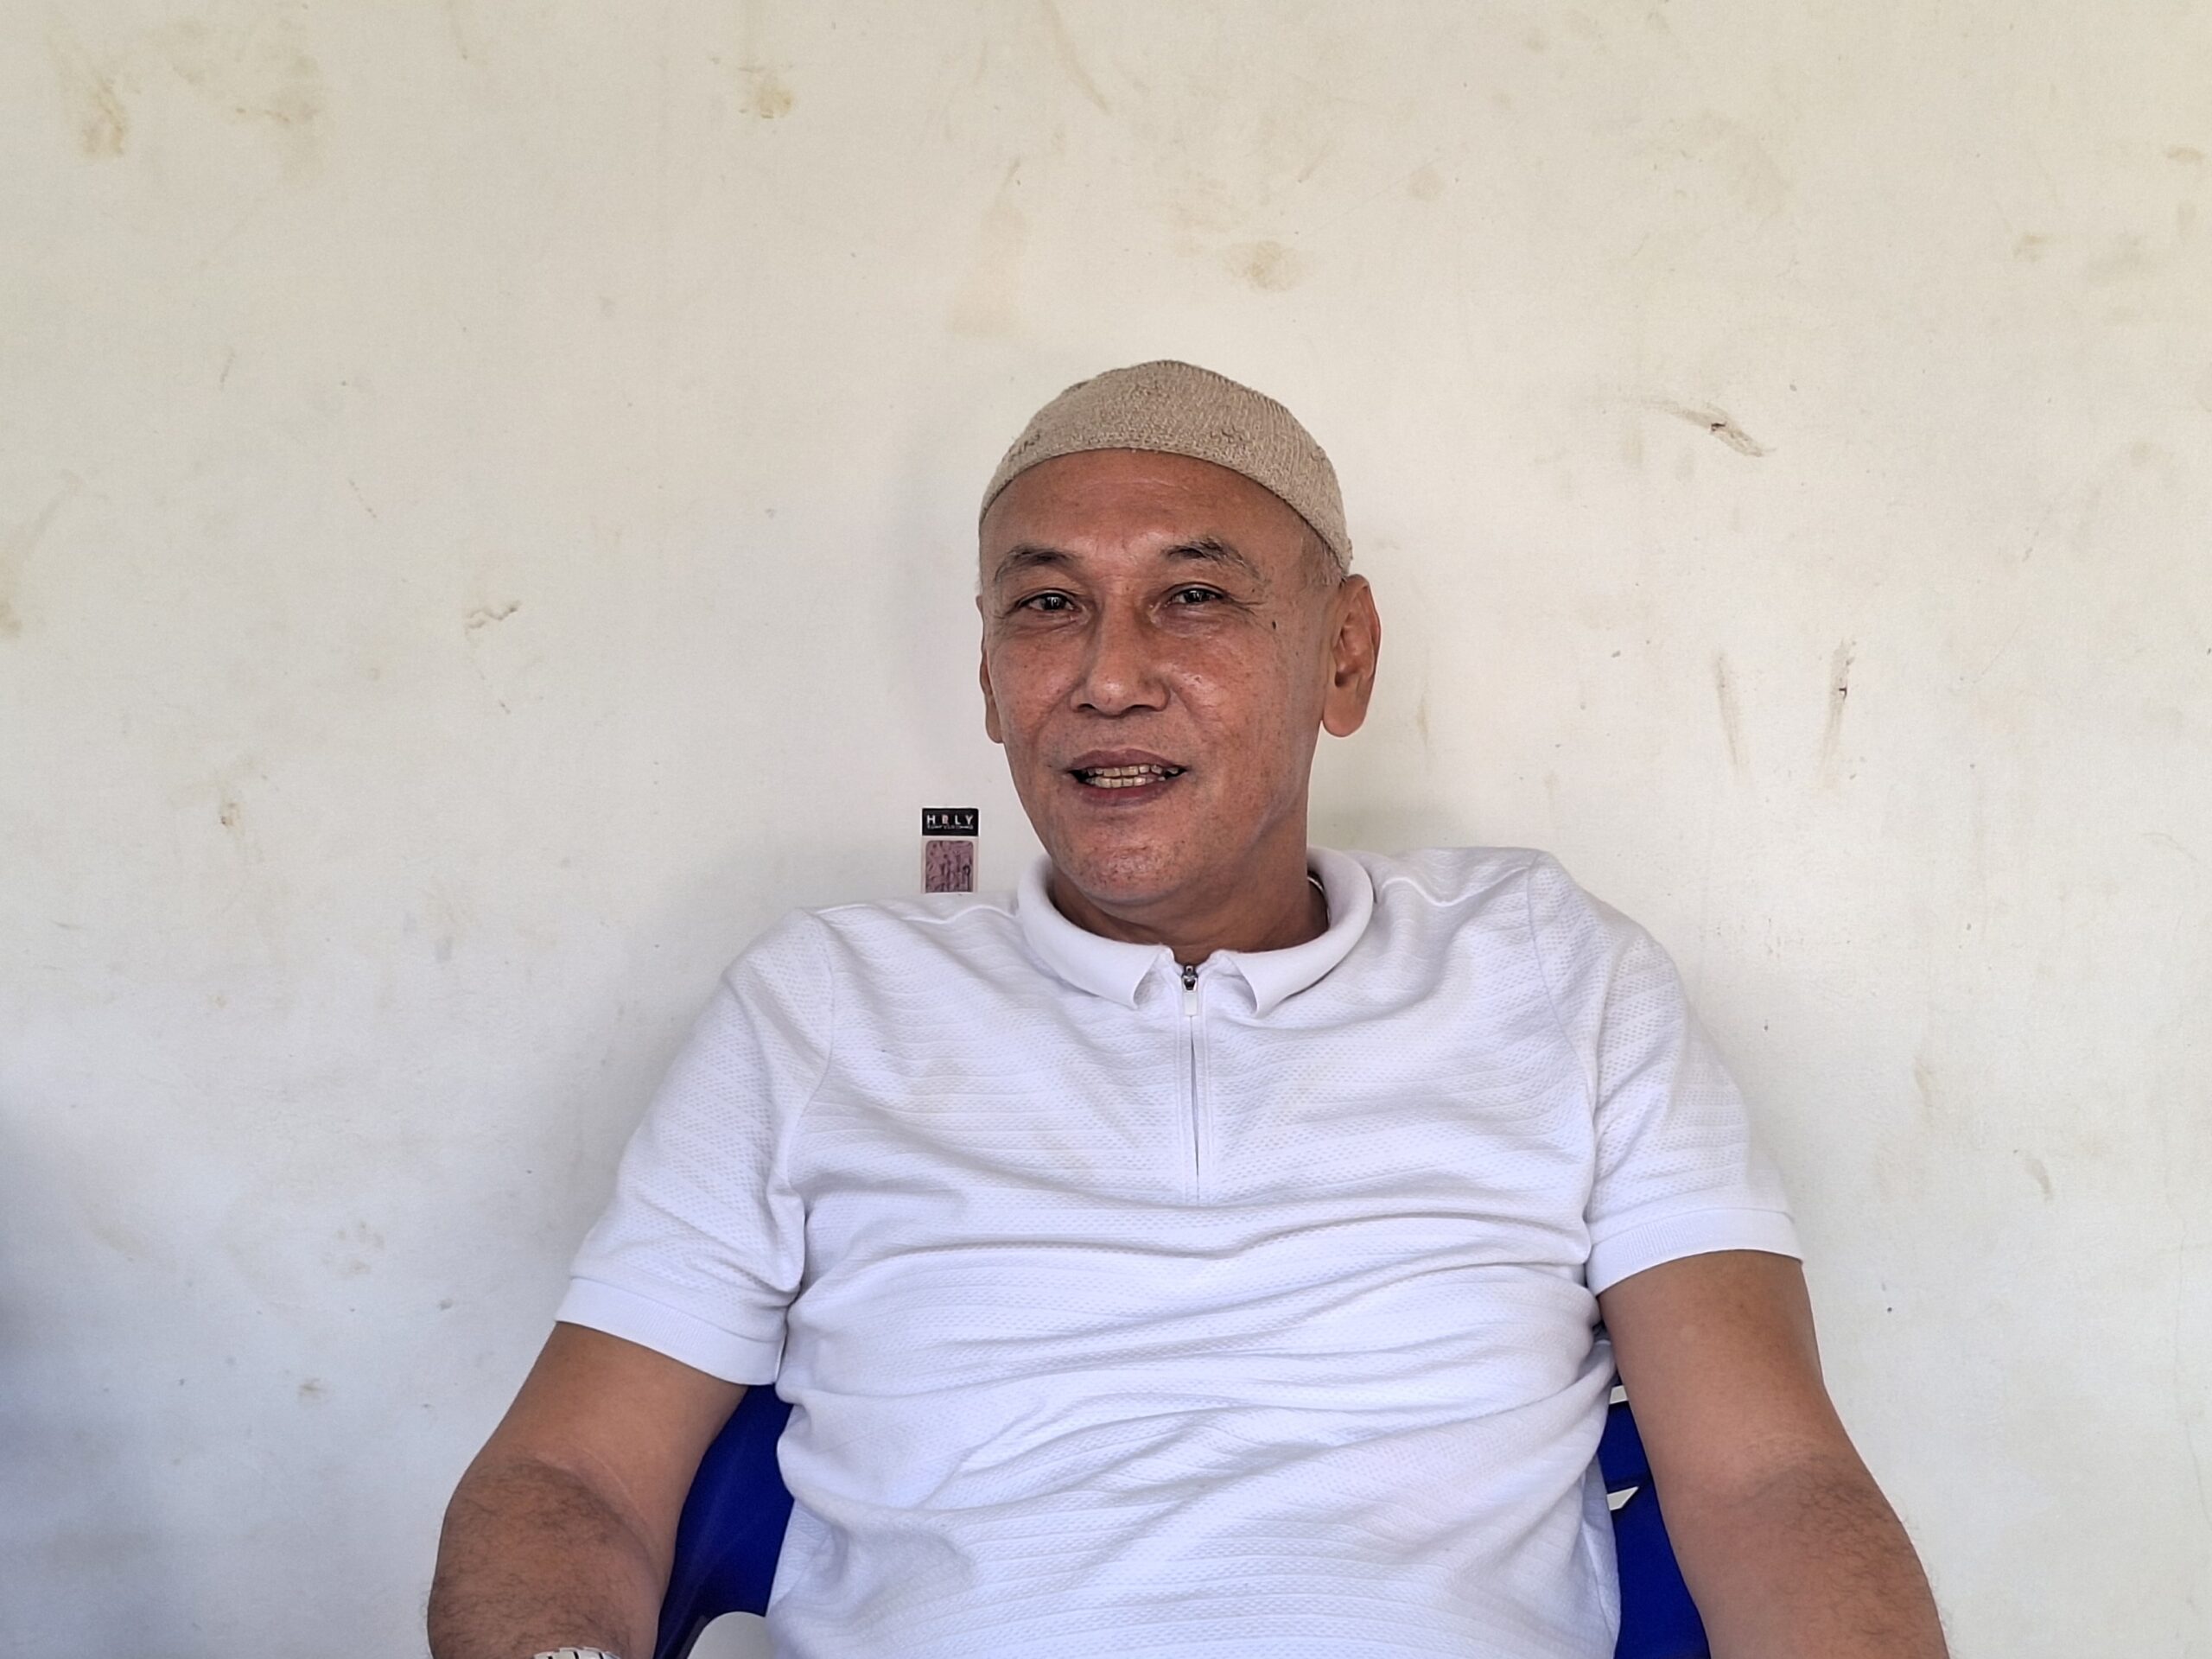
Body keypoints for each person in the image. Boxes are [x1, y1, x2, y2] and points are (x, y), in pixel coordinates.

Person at [429, 361, 1947, 1659]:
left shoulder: (1551, 970)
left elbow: (1772, 1484)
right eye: (1047, 605)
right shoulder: (822, 1007)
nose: (1109, 677)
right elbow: (573, 1477)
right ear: (988, 676)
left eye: (1196, 597)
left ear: (1344, 655)